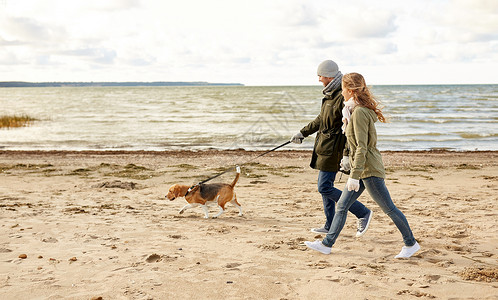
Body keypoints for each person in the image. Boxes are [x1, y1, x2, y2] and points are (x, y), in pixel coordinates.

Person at [305, 72, 421, 258]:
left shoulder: (358, 113)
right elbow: (354, 146)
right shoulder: (354, 111)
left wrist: (354, 176)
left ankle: (410, 243)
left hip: (369, 170)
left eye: (343, 89)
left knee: (389, 208)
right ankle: (327, 245)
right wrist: (348, 161)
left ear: (350, 90)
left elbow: (362, 147)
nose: (341, 93)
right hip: (362, 168)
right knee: (342, 206)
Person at [290, 60, 372, 237]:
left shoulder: (343, 96)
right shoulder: (329, 95)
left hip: (335, 150)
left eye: (320, 76)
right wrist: (302, 133)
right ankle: (329, 224)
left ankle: (362, 212)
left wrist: (346, 155)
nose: (319, 79)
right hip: (324, 147)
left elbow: (348, 130)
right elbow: (321, 119)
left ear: (328, 76)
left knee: (324, 187)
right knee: (325, 187)